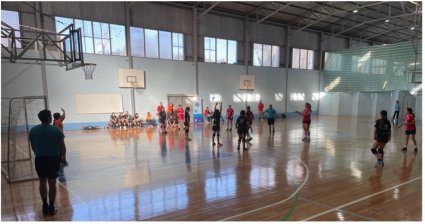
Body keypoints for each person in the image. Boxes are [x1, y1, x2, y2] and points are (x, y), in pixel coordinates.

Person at [29, 109, 66, 216]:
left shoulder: (33, 130)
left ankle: (44, 205)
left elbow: (33, 147)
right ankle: (51, 206)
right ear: (49, 118)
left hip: (40, 159)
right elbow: (62, 147)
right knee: (52, 183)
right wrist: (63, 158)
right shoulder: (56, 131)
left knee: (42, 182)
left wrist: (40, 152)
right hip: (53, 159)